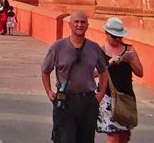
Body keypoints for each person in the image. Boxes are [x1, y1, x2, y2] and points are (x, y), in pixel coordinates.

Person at [41, 11, 109, 143]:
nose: (79, 25)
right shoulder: (58, 47)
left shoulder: (94, 48)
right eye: (76, 22)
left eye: (83, 22)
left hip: (88, 101)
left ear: (87, 25)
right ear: (70, 25)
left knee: (86, 139)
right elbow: (45, 70)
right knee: (66, 138)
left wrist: (100, 94)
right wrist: (49, 91)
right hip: (66, 101)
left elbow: (103, 71)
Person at [98, 18, 144, 142]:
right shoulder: (101, 51)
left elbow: (140, 73)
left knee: (124, 136)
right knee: (113, 135)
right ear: (107, 34)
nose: (117, 40)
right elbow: (93, 73)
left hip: (125, 97)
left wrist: (131, 61)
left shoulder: (129, 49)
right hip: (108, 97)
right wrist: (109, 63)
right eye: (114, 37)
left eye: (120, 37)